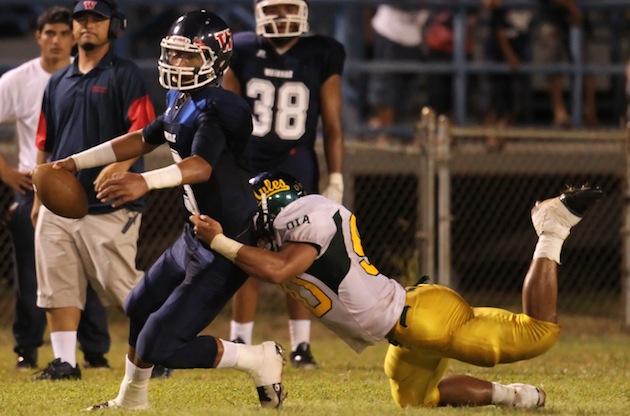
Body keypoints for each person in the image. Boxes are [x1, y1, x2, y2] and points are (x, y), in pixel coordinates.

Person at [190, 171, 604, 408]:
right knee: (417, 402)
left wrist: (221, 242)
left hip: (426, 319)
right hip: (406, 332)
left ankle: (553, 228)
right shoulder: (285, 238)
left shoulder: (307, 218)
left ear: (275, 203)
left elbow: (279, 269)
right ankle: (514, 398)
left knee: (539, 332)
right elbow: (266, 264)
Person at [52, 10, 285, 410]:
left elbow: (201, 166)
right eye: (173, 55)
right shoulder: (181, 98)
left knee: (160, 343)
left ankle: (258, 358)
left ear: (216, 58)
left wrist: (144, 181)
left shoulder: (223, 107)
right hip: (195, 234)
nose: (177, 65)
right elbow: (142, 138)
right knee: (139, 306)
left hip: (225, 244)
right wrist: (74, 162)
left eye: (189, 57)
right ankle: (132, 399)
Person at [31, 0, 156, 380]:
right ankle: (65, 362)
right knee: (57, 283)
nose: (87, 25)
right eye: (81, 19)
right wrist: (40, 194)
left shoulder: (126, 74)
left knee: (124, 288)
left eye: (96, 19)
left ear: (113, 26)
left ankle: (162, 348)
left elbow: (145, 134)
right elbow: (44, 141)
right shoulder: (57, 81)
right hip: (59, 203)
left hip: (109, 201)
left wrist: (117, 170)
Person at [221, 0, 345, 368]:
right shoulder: (241, 48)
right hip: (248, 160)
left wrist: (335, 175)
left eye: (288, 7)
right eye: (274, 8)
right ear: (260, 11)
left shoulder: (322, 51)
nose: (281, 16)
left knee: (297, 255)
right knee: (244, 251)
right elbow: (226, 115)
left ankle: (301, 345)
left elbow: (333, 125)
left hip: (296, 161)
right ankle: (240, 339)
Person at [0, 5, 112, 371]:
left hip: (82, 186)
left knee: (90, 269)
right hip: (34, 187)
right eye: (50, 33)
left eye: (65, 33)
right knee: (32, 275)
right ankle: (27, 349)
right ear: (38, 37)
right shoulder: (17, 80)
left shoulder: (87, 76)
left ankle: (95, 350)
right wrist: (6, 173)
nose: (58, 41)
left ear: (75, 37)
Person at [367, 4, 429, 146]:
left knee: (407, 87)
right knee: (385, 85)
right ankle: (384, 134)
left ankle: (399, 134)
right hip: (390, 30)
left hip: (413, 34)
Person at [536, 0, 598, 128]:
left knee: (585, 64)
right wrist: (571, 7)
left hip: (579, 17)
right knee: (553, 59)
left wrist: (575, 11)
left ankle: (590, 111)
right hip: (552, 17)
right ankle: (560, 112)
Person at [480, 0, 533, 150]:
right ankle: (491, 137)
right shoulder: (500, 4)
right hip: (497, 54)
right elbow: (497, 29)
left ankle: (501, 135)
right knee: (493, 97)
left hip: (519, 54)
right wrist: (509, 54)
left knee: (513, 98)